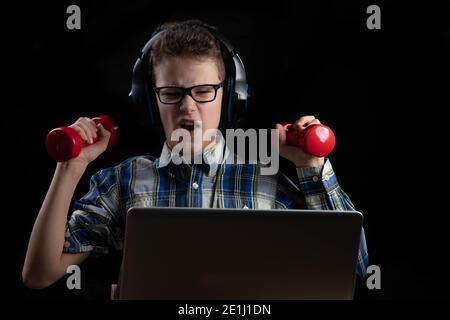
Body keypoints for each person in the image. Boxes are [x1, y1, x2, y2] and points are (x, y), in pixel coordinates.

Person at [22, 20, 368, 289]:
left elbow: (353, 267)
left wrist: (311, 167)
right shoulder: (123, 181)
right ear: (149, 99)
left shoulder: (264, 177)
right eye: (172, 92)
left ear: (231, 96)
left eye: (203, 91)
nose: (189, 109)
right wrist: (71, 168)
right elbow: (40, 274)